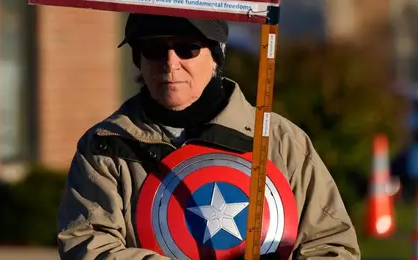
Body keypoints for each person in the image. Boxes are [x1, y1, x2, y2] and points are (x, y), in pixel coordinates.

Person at [57, 13, 360, 259]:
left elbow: (330, 245)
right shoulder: (106, 146)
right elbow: (88, 244)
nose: (170, 63)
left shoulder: (279, 141)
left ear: (216, 55)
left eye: (187, 48)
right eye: (153, 48)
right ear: (138, 59)